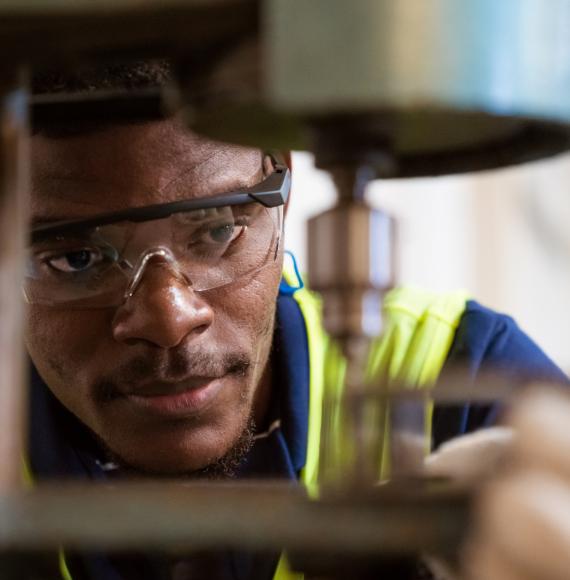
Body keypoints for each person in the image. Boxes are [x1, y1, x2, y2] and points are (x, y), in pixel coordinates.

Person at [25, 61, 568, 580]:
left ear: (283, 192)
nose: (170, 320)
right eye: (76, 259)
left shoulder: (460, 376)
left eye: (217, 230)